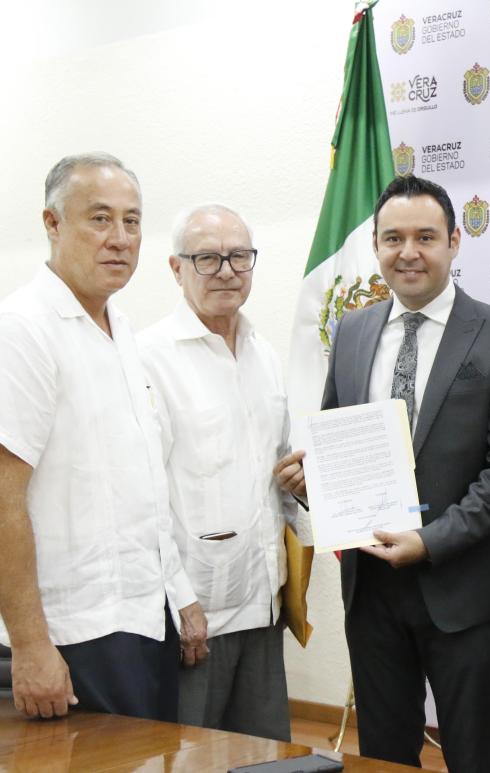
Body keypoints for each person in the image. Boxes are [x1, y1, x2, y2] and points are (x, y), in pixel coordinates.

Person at [276, 175, 490, 771]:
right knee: (384, 754)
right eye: (393, 238)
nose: (408, 252)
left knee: (472, 754)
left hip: (463, 585)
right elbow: (337, 443)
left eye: (425, 237)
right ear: (375, 245)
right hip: (371, 588)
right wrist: (313, 486)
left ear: (454, 241)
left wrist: (430, 542)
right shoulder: (353, 330)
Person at [0, 152, 206, 722]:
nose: (120, 238)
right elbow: (3, 496)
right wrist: (31, 644)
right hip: (73, 631)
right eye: (99, 219)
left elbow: (142, 485)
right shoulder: (23, 330)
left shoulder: (121, 329)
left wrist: (178, 595)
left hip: (142, 617)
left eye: (131, 221)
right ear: (52, 223)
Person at [137, 204, 293, 741]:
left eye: (239, 256)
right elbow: (145, 497)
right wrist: (180, 599)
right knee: (190, 753)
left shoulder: (264, 354)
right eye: (207, 258)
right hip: (198, 609)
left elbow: (276, 469)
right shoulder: (149, 358)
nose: (226, 270)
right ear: (176, 268)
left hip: (263, 600)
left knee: (264, 754)